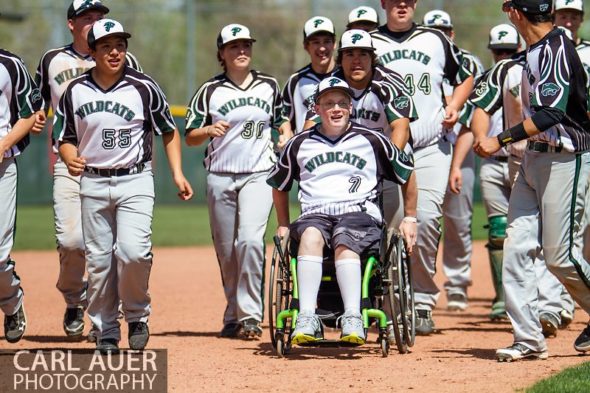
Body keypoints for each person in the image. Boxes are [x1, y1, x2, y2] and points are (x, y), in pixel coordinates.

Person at [54, 19, 193, 354]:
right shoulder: (75, 91)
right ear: (93, 51)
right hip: (93, 182)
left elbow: (168, 130)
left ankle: (137, 316)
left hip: (135, 179)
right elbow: (64, 138)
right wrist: (70, 156)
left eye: (120, 45)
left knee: (132, 253)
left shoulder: (143, 86)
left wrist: (176, 173)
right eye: (106, 46)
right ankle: (105, 330)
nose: (114, 52)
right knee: (100, 261)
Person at [476, 0, 590, 361]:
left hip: (566, 158)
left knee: (560, 256)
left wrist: (500, 138)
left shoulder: (556, 47)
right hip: (534, 158)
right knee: (516, 248)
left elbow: (552, 113)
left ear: (515, 14)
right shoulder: (534, 50)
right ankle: (528, 339)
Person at [267, 77, 414, 345]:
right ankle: (307, 316)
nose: (336, 108)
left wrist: (410, 218)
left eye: (342, 103)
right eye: (329, 103)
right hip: (315, 214)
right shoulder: (299, 143)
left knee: (345, 239)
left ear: (350, 107)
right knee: (310, 236)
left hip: (359, 214)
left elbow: (406, 172)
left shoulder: (372, 140)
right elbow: (279, 184)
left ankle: (353, 316)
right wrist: (284, 224)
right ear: (317, 109)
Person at [35, 0, 142, 341]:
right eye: (86, 17)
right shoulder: (53, 60)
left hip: (115, 166)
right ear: (71, 24)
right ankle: (74, 300)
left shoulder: (126, 60)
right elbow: (36, 103)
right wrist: (37, 117)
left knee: (114, 248)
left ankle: (107, 315)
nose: (94, 21)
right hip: (70, 165)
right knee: (72, 241)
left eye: (99, 17)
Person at [371, 0, 474, 334]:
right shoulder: (369, 42)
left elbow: (466, 75)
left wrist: (454, 105)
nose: (401, 4)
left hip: (430, 147)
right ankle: (389, 301)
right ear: (383, 3)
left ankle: (423, 302)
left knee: (426, 220)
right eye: (394, 0)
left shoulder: (435, 39)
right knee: (390, 224)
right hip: (386, 149)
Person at [185, 23, 283, 339]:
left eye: (245, 46)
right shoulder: (210, 90)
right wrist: (206, 131)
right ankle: (233, 313)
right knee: (228, 252)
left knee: (251, 242)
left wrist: (286, 136)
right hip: (220, 177)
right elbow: (190, 136)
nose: (241, 51)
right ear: (222, 54)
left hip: (259, 174)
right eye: (234, 47)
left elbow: (282, 122)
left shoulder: (269, 85)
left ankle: (251, 316)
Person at [304, 29, 418, 251]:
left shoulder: (389, 82)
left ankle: (390, 277)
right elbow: (310, 127)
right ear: (341, 58)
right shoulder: (329, 84)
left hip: (385, 162)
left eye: (363, 54)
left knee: (392, 232)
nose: (356, 61)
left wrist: (385, 166)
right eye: (349, 54)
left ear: (372, 58)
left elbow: (401, 127)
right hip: (343, 165)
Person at [422, 9, 484, 312]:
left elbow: (472, 118)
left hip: (462, 149)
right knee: (425, 222)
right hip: (428, 150)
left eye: (444, 29)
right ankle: (422, 289)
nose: (440, 34)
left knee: (459, 223)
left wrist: (457, 165)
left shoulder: (469, 64)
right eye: (434, 29)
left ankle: (458, 284)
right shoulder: (421, 58)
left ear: (452, 34)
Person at [0, 48, 44, 344]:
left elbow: (31, 114)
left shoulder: (10, 65)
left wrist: (2, 145)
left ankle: (12, 301)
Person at [281, 16, 336, 141]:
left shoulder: (345, 77)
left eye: (327, 41)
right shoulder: (296, 81)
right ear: (306, 46)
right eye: (316, 42)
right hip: (308, 152)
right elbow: (282, 119)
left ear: (334, 44)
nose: (322, 48)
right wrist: (286, 134)